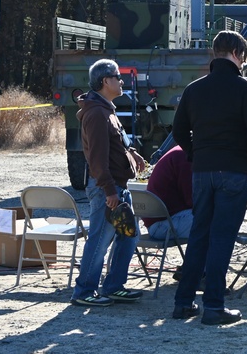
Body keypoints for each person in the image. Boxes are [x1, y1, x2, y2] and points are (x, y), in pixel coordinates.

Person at [171, 30, 247, 325]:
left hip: (202, 170)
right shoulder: (245, 88)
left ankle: (183, 302)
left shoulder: (194, 89)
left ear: (215, 53)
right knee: (222, 238)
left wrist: (195, 153)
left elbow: (178, 132)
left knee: (200, 235)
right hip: (235, 170)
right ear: (239, 55)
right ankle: (213, 305)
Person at [70, 58, 147, 308]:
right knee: (100, 239)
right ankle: (84, 291)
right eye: (117, 77)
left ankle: (114, 287)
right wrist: (109, 190)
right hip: (108, 189)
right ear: (106, 81)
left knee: (128, 237)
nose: (121, 81)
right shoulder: (96, 113)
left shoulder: (107, 110)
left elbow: (117, 142)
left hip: (118, 187)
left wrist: (132, 152)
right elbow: (97, 158)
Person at [142, 144, 193, 241]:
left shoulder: (180, 152)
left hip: (159, 222)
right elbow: (192, 200)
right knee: (218, 219)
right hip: (163, 225)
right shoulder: (185, 157)